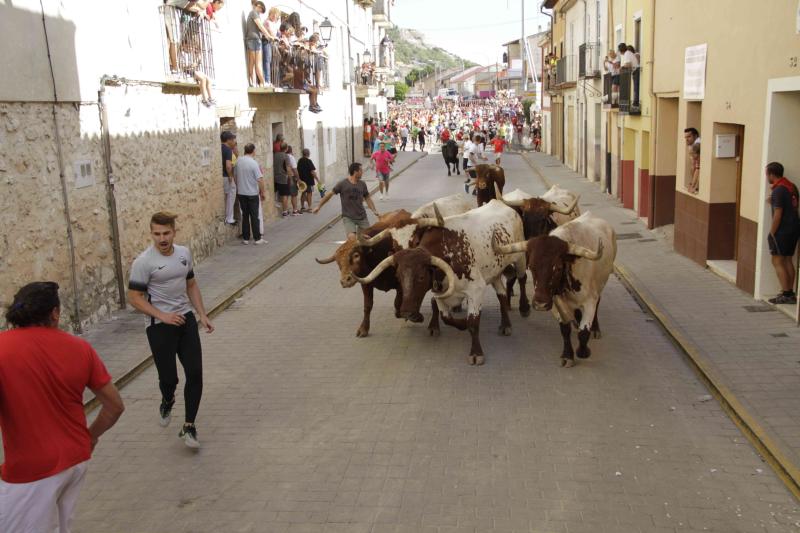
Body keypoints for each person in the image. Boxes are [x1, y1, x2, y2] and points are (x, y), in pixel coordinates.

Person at [0, 282, 124, 533]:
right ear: (54, 313)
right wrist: (90, 437)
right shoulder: (80, 348)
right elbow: (114, 406)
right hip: (75, 461)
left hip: (30, 472)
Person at [127, 211, 214, 449]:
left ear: (174, 232)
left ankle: (189, 426)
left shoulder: (184, 254)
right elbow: (134, 298)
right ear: (151, 233)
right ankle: (167, 399)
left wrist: (202, 314)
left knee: (195, 373)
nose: (162, 238)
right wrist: (162, 315)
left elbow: (191, 284)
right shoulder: (144, 262)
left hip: (185, 319)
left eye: (166, 233)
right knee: (169, 378)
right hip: (158, 325)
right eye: (157, 234)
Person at [313, 162, 380, 239]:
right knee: (352, 237)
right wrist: (319, 206)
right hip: (348, 217)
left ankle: (359, 237)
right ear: (355, 172)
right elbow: (329, 195)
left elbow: (367, 198)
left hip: (362, 216)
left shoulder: (362, 184)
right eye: (361, 170)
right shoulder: (342, 184)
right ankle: (357, 238)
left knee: (368, 238)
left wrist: (374, 210)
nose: (362, 172)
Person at [766, 162, 800, 304]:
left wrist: (772, 233)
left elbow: (778, 213)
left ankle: (786, 294)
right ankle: (790, 293)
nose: (766, 176)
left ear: (772, 174)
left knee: (777, 260)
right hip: (794, 228)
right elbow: (793, 205)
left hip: (782, 230)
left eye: (767, 174)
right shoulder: (791, 186)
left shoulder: (778, 190)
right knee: (787, 259)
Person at [234, 143, 268, 244]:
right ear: (253, 151)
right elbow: (260, 179)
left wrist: (239, 186)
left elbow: (235, 177)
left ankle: (246, 238)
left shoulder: (238, 161)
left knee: (245, 215)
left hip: (241, 193)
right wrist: (263, 192)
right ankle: (257, 238)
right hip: (252, 193)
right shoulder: (254, 163)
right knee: (254, 216)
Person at [245, 1, 268, 87]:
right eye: (260, 9)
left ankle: (252, 82)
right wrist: (268, 35)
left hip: (250, 39)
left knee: (252, 63)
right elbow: (260, 26)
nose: (260, 11)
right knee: (258, 63)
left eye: (261, 10)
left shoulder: (252, 13)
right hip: (254, 40)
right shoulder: (254, 13)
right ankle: (263, 82)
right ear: (257, 6)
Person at [261, 6, 280, 88]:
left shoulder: (273, 23)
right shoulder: (267, 22)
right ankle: (267, 80)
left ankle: (268, 80)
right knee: (266, 61)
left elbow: (276, 34)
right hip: (266, 42)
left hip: (270, 43)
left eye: (276, 15)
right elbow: (272, 34)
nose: (275, 17)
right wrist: (276, 37)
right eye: (274, 15)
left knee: (269, 61)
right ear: (270, 14)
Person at [221, 131, 237, 225]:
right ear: (228, 140)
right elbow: (228, 165)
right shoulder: (228, 150)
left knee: (228, 196)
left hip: (222, 176)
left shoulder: (220, 148)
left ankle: (228, 216)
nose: (233, 141)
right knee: (231, 195)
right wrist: (231, 176)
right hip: (227, 176)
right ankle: (229, 218)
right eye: (232, 139)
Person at [297, 148, 319, 212]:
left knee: (303, 193)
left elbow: (298, 170)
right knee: (309, 193)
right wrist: (317, 179)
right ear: (308, 154)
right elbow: (312, 172)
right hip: (309, 181)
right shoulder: (309, 161)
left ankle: (302, 207)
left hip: (302, 181)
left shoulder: (299, 161)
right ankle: (309, 207)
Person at [273, 142, 292, 216]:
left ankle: (280, 208)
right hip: (283, 178)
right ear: (286, 148)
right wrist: (290, 178)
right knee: (285, 195)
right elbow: (288, 168)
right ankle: (285, 211)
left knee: (277, 193)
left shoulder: (275, 155)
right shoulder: (286, 156)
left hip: (276, 177)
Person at [286, 145, 302, 216]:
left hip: (284, 177)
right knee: (294, 194)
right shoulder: (291, 157)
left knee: (286, 195)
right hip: (291, 177)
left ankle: (285, 210)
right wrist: (298, 179)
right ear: (291, 150)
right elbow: (295, 170)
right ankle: (295, 210)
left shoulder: (284, 156)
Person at [684, 128, 700, 194]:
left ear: (695, 136)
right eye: (685, 137)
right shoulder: (691, 145)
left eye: (689, 137)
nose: (686, 139)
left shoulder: (697, 146)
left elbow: (697, 168)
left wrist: (692, 186)